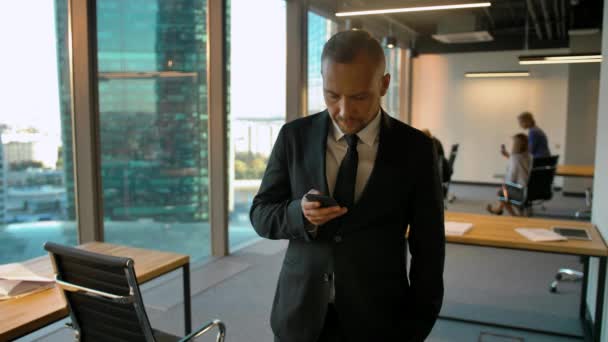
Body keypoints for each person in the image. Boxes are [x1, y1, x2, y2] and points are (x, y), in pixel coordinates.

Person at [250, 30, 445, 342]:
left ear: (383, 84)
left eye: (358, 97)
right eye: (332, 95)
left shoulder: (417, 149)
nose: (343, 111)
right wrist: (299, 215)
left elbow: (430, 248)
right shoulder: (294, 137)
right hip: (299, 315)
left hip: (379, 320)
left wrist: (416, 327)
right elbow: (260, 214)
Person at [488, 133, 532, 216]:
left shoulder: (515, 158)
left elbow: (511, 178)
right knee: (505, 188)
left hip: (520, 192)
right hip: (530, 190)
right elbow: (520, 164)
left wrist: (504, 182)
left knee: (502, 191)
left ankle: (514, 215)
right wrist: (508, 156)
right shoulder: (529, 156)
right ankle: (498, 209)